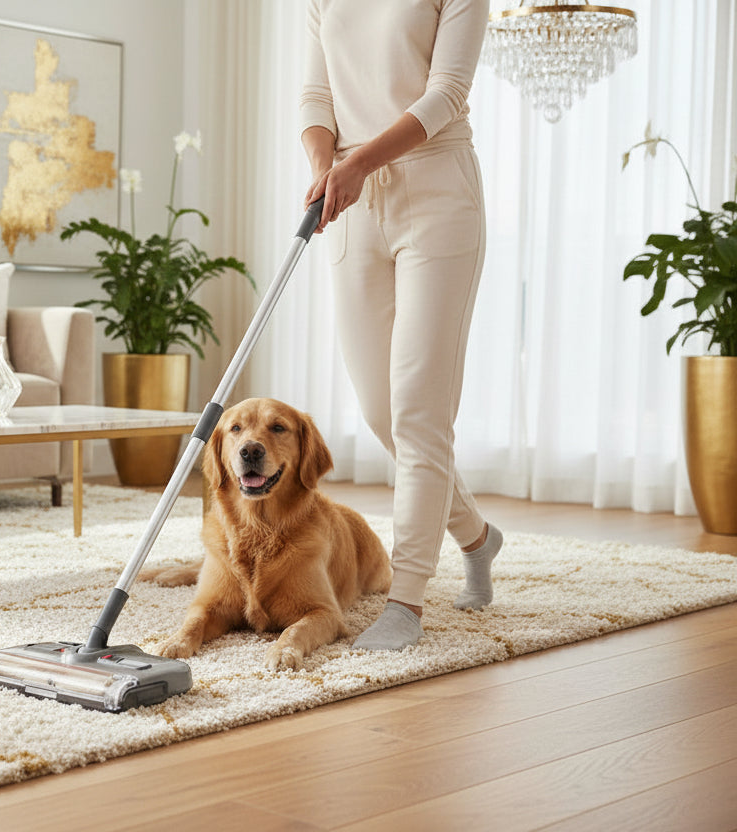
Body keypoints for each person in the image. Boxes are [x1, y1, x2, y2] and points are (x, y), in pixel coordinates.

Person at [299, 0, 501, 650]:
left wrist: (358, 163)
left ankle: (407, 603)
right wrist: (325, 166)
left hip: (437, 191)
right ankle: (475, 534)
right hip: (351, 200)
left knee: (420, 411)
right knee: (382, 411)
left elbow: (447, 94)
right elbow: (315, 92)